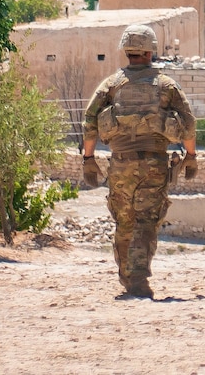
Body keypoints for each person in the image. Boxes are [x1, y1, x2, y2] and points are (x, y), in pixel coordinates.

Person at [82, 24, 198, 299]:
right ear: (150, 51)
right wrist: (191, 156)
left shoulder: (111, 85)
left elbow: (89, 122)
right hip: (154, 165)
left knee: (125, 222)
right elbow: (189, 124)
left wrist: (88, 159)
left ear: (126, 50)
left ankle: (128, 276)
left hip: (120, 165)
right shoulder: (166, 86)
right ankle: (137, 280)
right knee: (146, 222)